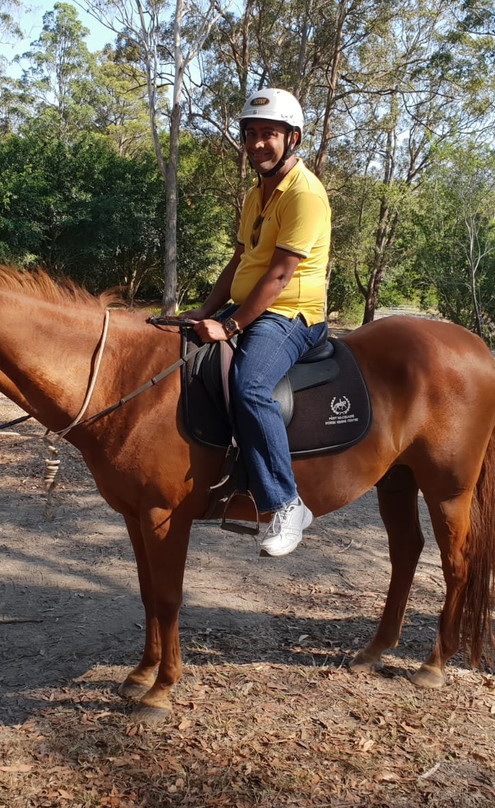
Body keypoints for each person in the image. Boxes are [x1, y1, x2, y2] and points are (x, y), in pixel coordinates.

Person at [186, 88, 331, 557]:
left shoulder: (304, 194)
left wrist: (229, 327)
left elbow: (281, 274)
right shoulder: (256, 193)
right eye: (250, 134)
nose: (257, 143)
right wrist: (204, 312)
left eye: (268, 133)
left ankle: (287, 504)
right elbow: (239, 262)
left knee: (250, 385)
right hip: (250, 307)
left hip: (290, 314)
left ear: (293, 138)